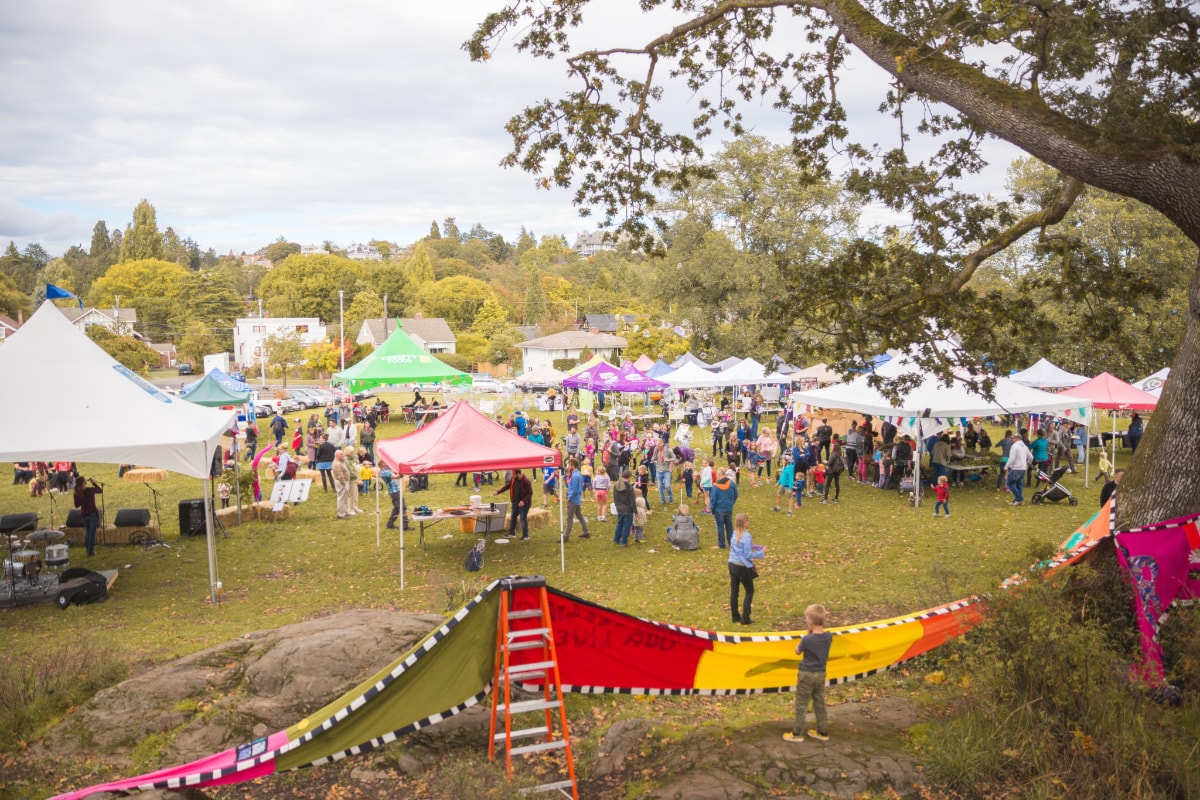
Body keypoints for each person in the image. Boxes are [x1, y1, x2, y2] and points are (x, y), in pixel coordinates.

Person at [783, 604, 833, 743]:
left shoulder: (807, 639)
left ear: (810, 623)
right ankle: (822, 731)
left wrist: (807, 633)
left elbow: (797, 651)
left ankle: (797, 733)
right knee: (819, 701)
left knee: (801, 703)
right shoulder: (829, 637)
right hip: (821, 673)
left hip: (806, 674)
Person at [727, 512, 762, 625]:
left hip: (732, 564)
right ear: (745, 522)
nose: (749, 522)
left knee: (734, 591)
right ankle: (745, 618)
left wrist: (754, 546)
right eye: (748, 520)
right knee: (749, 590)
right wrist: (761, 552)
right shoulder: (747, 536)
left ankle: (735, 616)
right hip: (742, 566)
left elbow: (739, 545)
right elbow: (747, 554)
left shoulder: (734, 533)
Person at [497, 469, 533, 540]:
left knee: (523, 519)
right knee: (513, 517)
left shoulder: (526, 481)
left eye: (513, 475)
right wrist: (498, 492)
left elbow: (530, 493)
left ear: (518, 474)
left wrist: (523, 501)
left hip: (524, 504)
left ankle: (526, 536)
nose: (512, 476)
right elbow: (507, 486)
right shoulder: (513, 480)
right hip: (515, 502)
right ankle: (511, 533)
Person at [561, 459, 591, 542]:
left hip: (573, 500)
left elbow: (574, 490)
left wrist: (569, 498)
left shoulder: (574, 476)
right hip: (577, 499)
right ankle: (586, 532)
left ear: (573, 465)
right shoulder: (578, 474)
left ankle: (566, 536)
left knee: (569, 518)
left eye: (569, 465)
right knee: (579, 516)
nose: (568, 466)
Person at [73, 475, 103, 557]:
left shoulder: (76, 493)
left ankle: (88, 549)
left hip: (83, 516)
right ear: (83, 483)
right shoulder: (90, 490)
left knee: (87, 532)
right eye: (85, 481)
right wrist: (93, 482)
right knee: (91, 534)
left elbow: (76, 505)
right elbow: (100, 490)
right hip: (92, 515)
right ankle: (90, 552)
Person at [710, 468, 739, 549]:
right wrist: (731, 503)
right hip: (729, 508)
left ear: (719, 475)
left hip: (719, 509)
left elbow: (713, 499)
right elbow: (736, 494)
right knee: (729, 525)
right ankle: (731, 543)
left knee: (720, 526)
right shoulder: (732, 483)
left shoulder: (715, 487)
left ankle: (721, 544)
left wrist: (712, 509)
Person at [1005, 431, 1033, 506]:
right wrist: (1028, 463)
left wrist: (1006, 466)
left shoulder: (1014, 446)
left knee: (1010, 483)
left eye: (1013, 438)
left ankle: (1019, 498)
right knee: (1019, 484)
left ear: (1017, 439)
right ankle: (1017, 500)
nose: (1012, 440)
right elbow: (1031, 457)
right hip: (1023, 468)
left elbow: (1012, 458)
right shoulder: (1025, 446)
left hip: (1015, 468)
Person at [612, 468, 636, 546]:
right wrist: (635, 511)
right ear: (629, 477)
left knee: (619, 523)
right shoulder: (629, 488)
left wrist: (616, 505)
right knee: (626, 526)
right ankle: (624, 542)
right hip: (628, 509)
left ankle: (616, 539)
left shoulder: (616, 485)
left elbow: (615, 496)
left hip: (619, 508)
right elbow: (632, 500)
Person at [332, 450, 354, 519]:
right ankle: (341, 514)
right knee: (341, 498)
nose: (343, 455)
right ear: (337, 455)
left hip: (343, 481)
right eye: (341, 454)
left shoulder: (340, 462)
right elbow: (340, 476)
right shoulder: (337, 464)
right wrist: (344, 483)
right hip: (341, 482)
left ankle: (343, 512)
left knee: (344, 498)